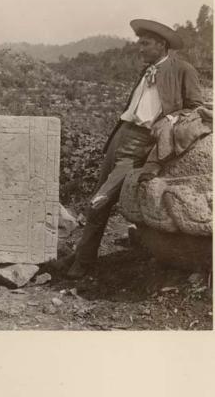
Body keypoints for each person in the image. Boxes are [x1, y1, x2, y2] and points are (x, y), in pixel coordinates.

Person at [55, 19, 204, 278]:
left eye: (145, 43)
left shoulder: (182, 69)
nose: (140, 48)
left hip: (140, 142)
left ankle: (83, 264)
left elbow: (195, 106)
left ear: (161, 44)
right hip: (120, 135)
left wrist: (167, 121)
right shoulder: (146, 71)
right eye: (139, 43)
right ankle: (81, 255)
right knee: (97, 197)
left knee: (100, 200)